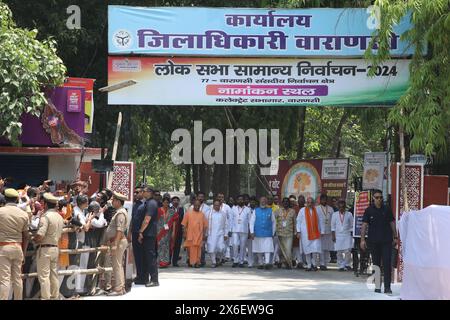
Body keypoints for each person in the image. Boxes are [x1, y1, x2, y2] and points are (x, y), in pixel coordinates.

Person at [361, 189, 397, 295]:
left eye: (381, 197)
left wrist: (395, 236)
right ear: (373, 198)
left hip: (386, 241)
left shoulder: (387, 209)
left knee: (387, 264)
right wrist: (362, 240)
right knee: (376, 264)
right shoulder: (368, 210)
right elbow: (364, 225)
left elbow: (392, 223)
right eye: (377, 197)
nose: (379, 199)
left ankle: (387, 287)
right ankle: (377, 286)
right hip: (373, 242)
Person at [33, 193, 64, 300]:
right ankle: (55, 296)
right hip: (55, 247)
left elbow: (40, 234)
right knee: (54, 274)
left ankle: (45, 298)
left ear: (45, 204)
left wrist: (34, 239)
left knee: (44, 276)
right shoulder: (59, 217)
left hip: (45, 249)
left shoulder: (45, 217)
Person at [0, 189, 29, 300]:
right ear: (17, 199)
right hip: (18, 248)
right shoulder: (23, 214)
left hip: (3, 247)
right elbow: (26, 236)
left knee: (4, 279)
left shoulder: (1, 212)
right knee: (17, 278)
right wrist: (24, 252)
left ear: (5, 198)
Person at [105, 192, 129, 296]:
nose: (112, 202)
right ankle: (121, 287)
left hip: (118, 241)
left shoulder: (120, 213)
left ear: (118, 201)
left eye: (114, 200)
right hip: (117, 241)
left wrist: (115, 244)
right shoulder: (119, 212)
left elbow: (119, 230)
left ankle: (118, 288)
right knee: (118, 265)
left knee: (117, 265)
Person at [138, 186, 159, 287]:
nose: (142, 193)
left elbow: (147, 220)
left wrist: (141, 231)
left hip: (149, 234)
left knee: (150, 256)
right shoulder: (148, 202)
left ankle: (154, 279)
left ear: (149, 192)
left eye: (144, 191)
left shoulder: (152, 203)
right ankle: (145, 277)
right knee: (146, 256)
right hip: (147, 233)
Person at [250, 196, 276, 270]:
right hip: (257, 232)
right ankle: (261, 263)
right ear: (260, 201)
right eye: (262, 200)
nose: (263, 202)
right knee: (259, 248)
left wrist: (273, 232)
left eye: (265, 200)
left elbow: (274, 222)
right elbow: (252, 222)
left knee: (267, 248)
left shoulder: (270, 210)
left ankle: (267, 263)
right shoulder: (256, 210)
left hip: (268, 233)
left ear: (266, 202)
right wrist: (252, 232)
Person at [297, 197, 322, 271]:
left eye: (311, 203)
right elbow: (298, 221)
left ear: (313, 203)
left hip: (315, 232)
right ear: (306, 203)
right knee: (307, 250)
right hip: (305, 234)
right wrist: (298, 231)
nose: (310, 204)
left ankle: (314, 265)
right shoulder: (302, 210)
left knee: (314, 249)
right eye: (308, 202)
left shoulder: (317, 210)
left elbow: (320, 221)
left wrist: (322, 231)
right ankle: (309, 265)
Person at [182, 199, 208, 268]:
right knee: (190, 250)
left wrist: (204, 234)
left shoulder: (202, 214)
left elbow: (205, 225)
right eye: (196, 205)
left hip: (199, 235)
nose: (197, 206)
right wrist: (184, 233)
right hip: (190, 235)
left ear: (200, 206)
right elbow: (184, 224)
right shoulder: (188, 213)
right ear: (193, 205)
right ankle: (191, 261)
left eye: (198, 205)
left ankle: (197, 262)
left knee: (198, 250)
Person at [331, 199, 354, 271]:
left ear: (345, 207)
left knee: (348, 251)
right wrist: (333, 236)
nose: (341, 208)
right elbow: (333, 226)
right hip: (338, 235)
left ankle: (347, 264)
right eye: (340, 207)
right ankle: (341, 265)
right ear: (338, 207)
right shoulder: (334, 215)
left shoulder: (349, 214)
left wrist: (351, 233)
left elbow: (352, 225)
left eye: (343, 207)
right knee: (339, 252)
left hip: (347, 235)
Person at [129, 187, 146, 283]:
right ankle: (139, 275)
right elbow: (132, 219)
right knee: (137, 255)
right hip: (134, 233)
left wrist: (141, 233)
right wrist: (129, 233)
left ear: (142, 193)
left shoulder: (144, 205)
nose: (135, 194)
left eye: (137, 192)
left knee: (142, 255)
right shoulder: (134, 205)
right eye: (134, 192)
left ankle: (143, 276)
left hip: (141, 234)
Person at [274, 197, 296, 269]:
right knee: (281, 249)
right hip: (280, 232)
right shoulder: (278, 211)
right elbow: (273, 220)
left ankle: (289, 264)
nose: (286, 203)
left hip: (289, 233)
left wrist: (295, 232)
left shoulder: (293, 211)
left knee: (288, 249)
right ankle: (281, 261)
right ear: (282, 203)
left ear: (289, 203)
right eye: (284, 202)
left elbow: (295, 222)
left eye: (287, 202)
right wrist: (274, 230)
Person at [156, 197, 178, 268]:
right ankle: (159, 261)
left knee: (166, 246)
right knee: (159, 245)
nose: (166, 204)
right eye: (164, 202)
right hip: (159, 231)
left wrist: (173, 232)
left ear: (169, 203)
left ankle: (165, 262)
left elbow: (174, 222)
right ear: (162, 202)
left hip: (168, 232)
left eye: (167, 202)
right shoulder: (158, 210)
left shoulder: (172, 211)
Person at [230, 195, 251, 268]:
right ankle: (235, 260)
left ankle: (241, 261)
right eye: (239, 200)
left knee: (243, 246)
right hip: (235, 230)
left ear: (244, 200)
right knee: (235, 244)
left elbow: (250, 221)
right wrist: (230, 230)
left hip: (244, 230)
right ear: (236, 201)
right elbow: (231, 220)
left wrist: (250, 231)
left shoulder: (248, 209)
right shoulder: (233, 208)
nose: (240, 201)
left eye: (242, 199)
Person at [206, 199, 228, 268]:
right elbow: (205, 224)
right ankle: (214, 262)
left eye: (218, 205)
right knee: (211, 248)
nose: (216, 207)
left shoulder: (223, 214)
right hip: (211, 234)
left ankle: (218, 258)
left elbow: (226, 224)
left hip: (220, 234)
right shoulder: (208, 213)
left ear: (220, 206)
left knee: (221, 248)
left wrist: (226, 234)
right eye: (215, 205)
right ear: (213, 205)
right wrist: (205, 234)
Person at [190, 191, 210, 267]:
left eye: (202, 197)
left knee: (202, 246)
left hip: (202, 229)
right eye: (199, 196)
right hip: (193, 230)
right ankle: (192, 260)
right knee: (193, 246)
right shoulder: (191, 207)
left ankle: (201, 260)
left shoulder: (207, 208)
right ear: (197, 197)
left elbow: (207, 220)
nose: (201, 198)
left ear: (204, 198)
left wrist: (206, 232)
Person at [316, 194, 335, 271]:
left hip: (329, 231)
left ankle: (326, 263)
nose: (324, 201)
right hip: (320, 231)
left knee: (327, 248)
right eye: (322, 199)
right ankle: (321, 264)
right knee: (321, 248)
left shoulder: (330, 209)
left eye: (325, 199)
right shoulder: (316, 209)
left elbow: (333, 220)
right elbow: (315, 221)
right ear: (320, 200)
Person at [216, 192, 233, 264]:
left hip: (225, 229)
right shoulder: (213, 206)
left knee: (224, 244)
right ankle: (217, 258)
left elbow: (231, 219)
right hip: (216, 229)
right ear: (217, 198)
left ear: (224, 198)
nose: (220, 199)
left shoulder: (227, 207)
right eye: (219, 197)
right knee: (216, 244)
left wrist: (230, 229)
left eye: (222, 197)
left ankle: (222, 257)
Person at [171, 196, 185, 267]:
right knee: (170, 246)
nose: (175, 201)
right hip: (170, 231)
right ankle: (167, 260)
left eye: (177, 200)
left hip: (179, 231)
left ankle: (175, 261)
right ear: (172, 202)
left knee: (177, 246)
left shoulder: (181, 209)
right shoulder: (170, 209)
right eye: (174, 200)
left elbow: (183, 220)